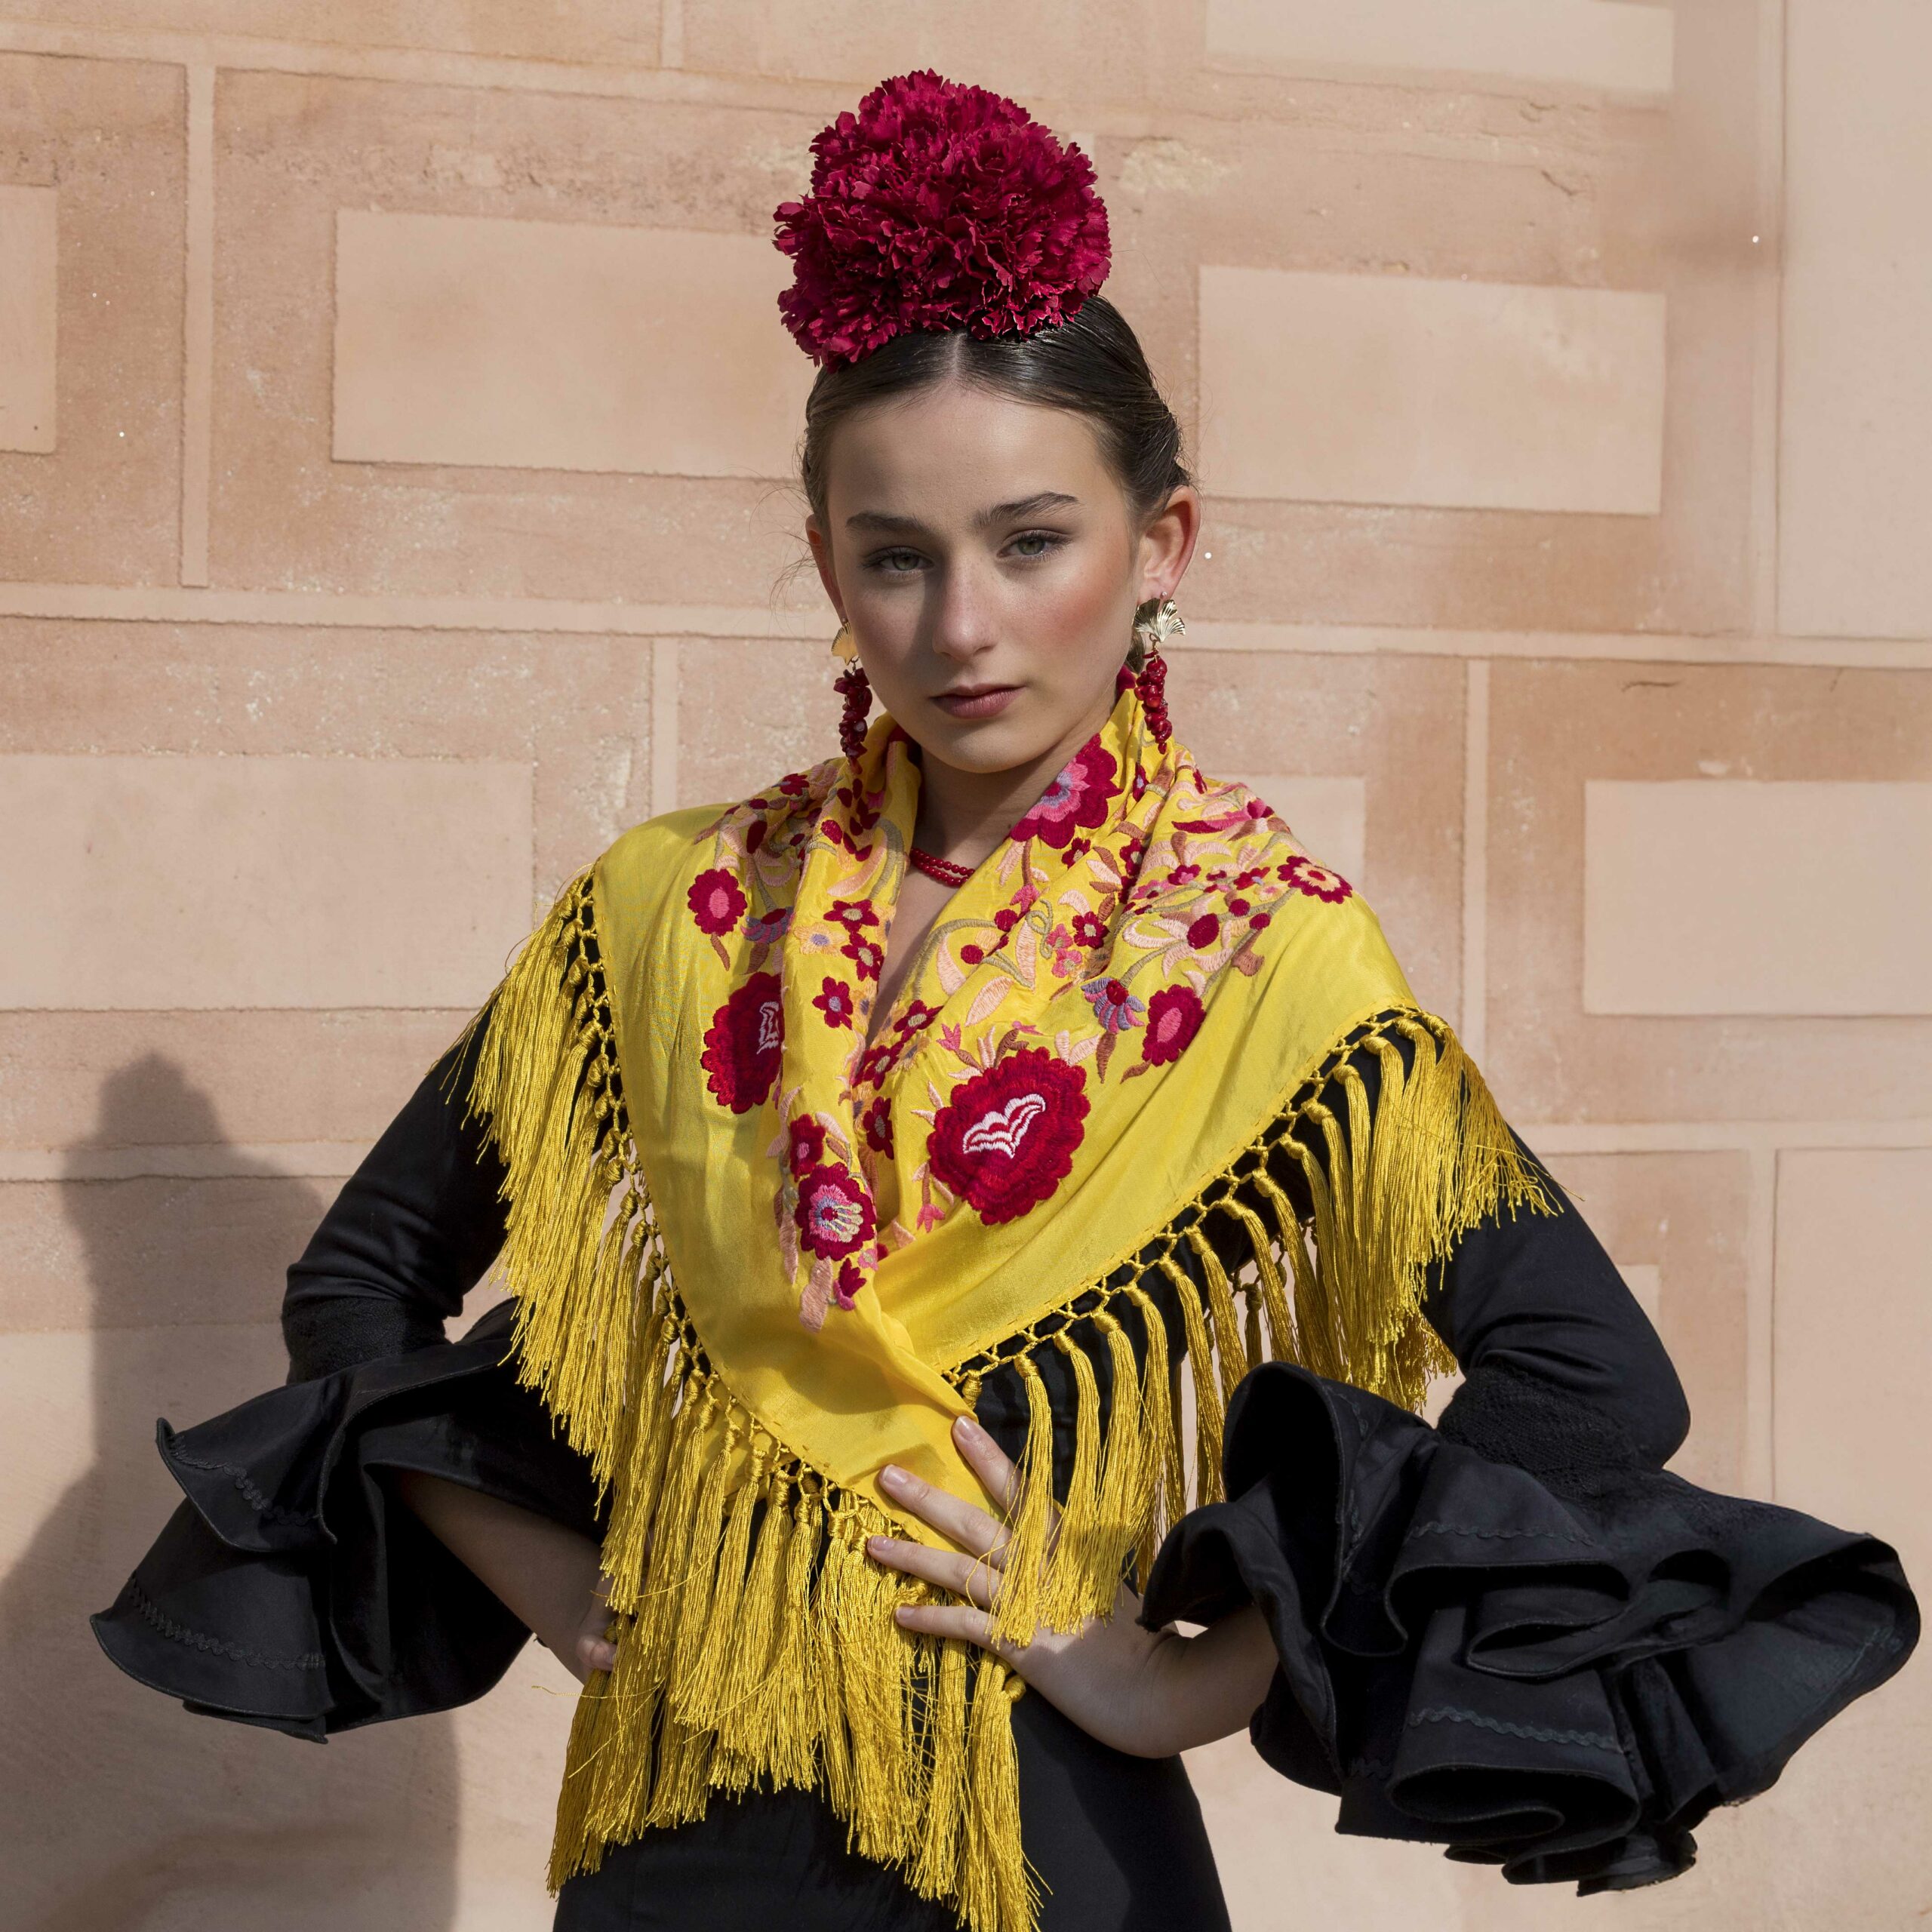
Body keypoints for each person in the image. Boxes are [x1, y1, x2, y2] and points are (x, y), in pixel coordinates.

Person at [94, 69, 1917, 1932]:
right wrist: (567, 1589)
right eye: (895, 555)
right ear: (830, 567)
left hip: (1039, 1847)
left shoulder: (1258, 947)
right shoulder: (662, 911)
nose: (958, 626)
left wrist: (1183, 1677)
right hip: (671, 1832)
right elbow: (359, 1279)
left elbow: (1593, 1379)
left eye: (1030, 540)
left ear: (1162, 545)